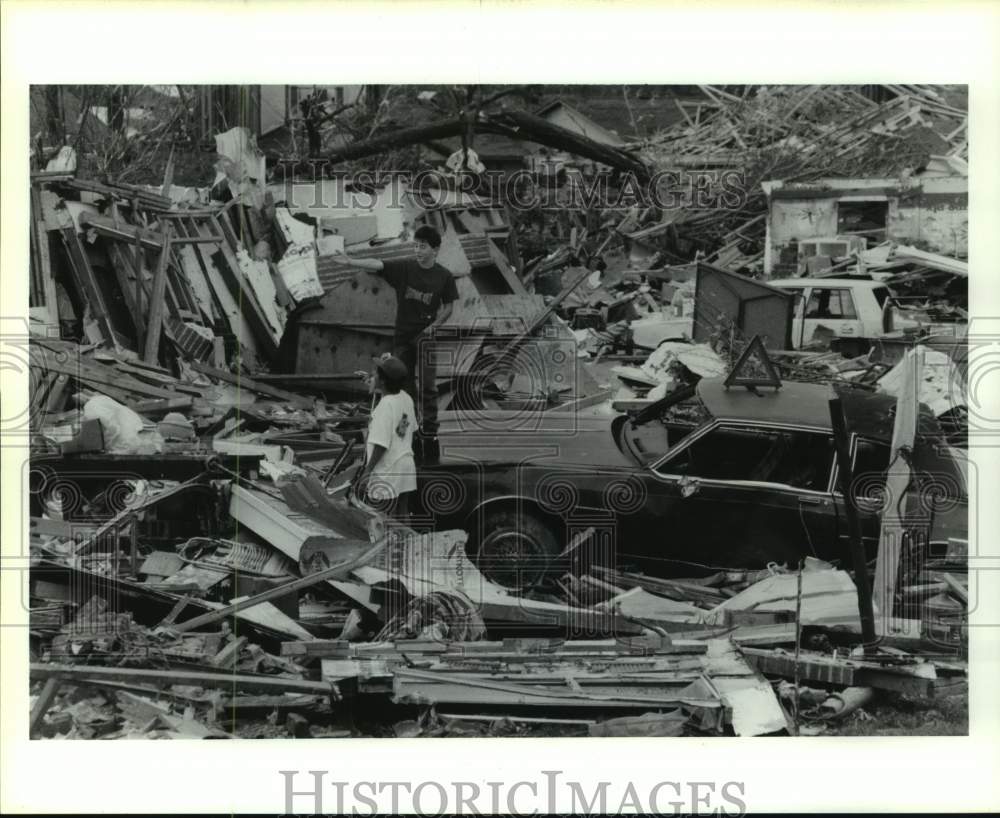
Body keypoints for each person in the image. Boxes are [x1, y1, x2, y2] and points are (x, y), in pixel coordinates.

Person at [329, 225, 457, 462]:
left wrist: (434, 326)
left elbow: (449, 307)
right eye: (416, 245)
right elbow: (378, 264)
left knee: (428, 388)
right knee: (404, 389)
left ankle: (430, 435)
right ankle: (406, 430)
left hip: (427, 338)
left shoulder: (444, 276)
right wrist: (350, 262)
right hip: (403, 337)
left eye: (423, 246)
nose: (418, 250)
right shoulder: (406, 268)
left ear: (435, 249)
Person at [355, 354, 416, 522]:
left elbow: (381, 444)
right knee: (402, 515)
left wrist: (367, 473)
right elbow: (404, 428)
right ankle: (405, 545)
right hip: (405, 464)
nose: (372, 376)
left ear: (383, 381)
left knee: (379, 518)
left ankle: (379, 547)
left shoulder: (385, 406)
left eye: (375, 374)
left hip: (386, 469)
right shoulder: (405, 397)